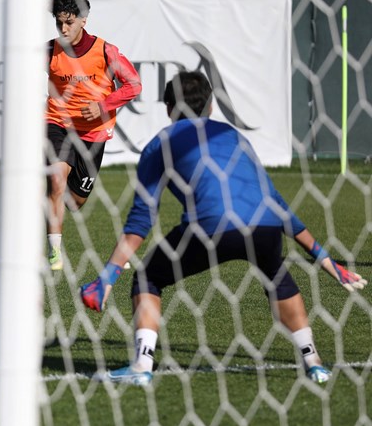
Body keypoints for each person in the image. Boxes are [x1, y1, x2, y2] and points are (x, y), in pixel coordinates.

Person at [78, 71, 367, 386]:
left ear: (168, 108)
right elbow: (276, 203)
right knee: (278, 276)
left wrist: (109, 274)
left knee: (149, 276)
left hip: (210, 228)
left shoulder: (159, 143)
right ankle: (313, 362)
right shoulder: (232, 136)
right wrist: (327, 260)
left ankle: (141, 365)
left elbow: (141, 221)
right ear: (211, 106)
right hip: (265, 226)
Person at [46, 0, 141, 270]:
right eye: (58, 22)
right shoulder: (49, 50)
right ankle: (54, 253)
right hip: (57, 123)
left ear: (83, 19)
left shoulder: (104, 51)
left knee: (75, 201)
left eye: (69, 21)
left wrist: (103, 105)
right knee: (56, 181)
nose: (63, 28)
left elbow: (134, 85)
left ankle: (49, 202)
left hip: (93, 133)